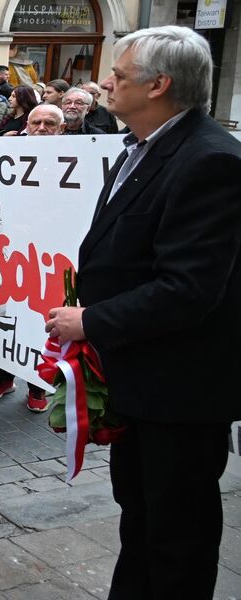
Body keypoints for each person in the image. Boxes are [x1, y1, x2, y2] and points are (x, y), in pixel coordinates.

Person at [44, 26, 241, 599]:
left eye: (119, 76)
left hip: (180, 392)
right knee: (142, 520)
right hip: (140, 378)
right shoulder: (145, 145)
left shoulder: (210, 162)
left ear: (159, 85)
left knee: (177, 535)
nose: (106, 84)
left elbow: (187, 289)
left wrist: (91, 321)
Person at [0, 104, 63, 412]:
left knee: (42, 319)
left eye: (49, 123)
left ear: (61, 128)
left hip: (49, 255)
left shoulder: (74, 157)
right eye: (36, 122)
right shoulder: (10, 154)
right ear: (27, 124)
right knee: (8, 316)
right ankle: (3, 377)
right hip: (12, 251)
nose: (41, 128)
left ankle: (39, 385)